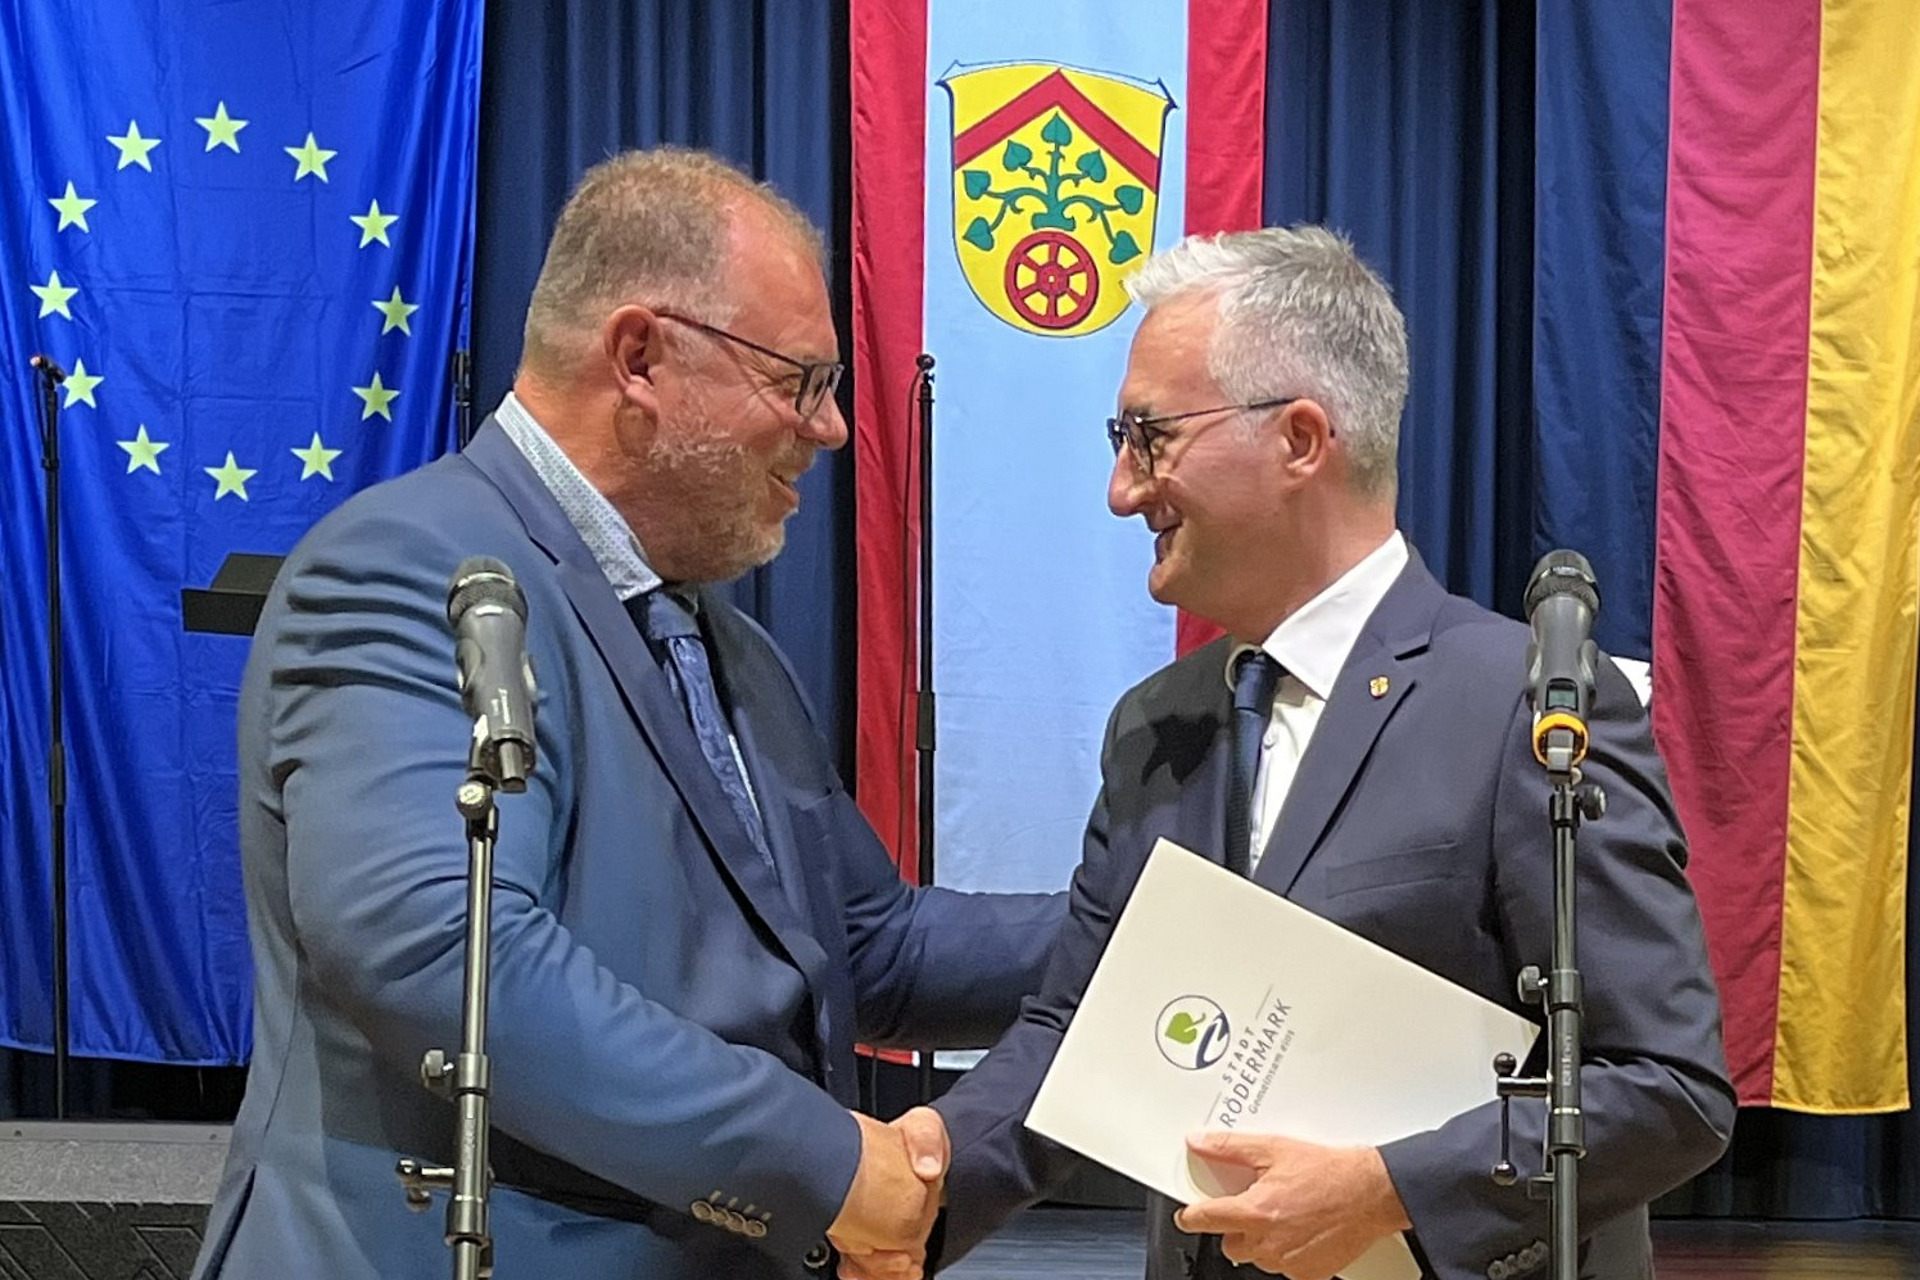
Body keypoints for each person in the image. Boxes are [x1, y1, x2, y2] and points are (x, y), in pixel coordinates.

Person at [190, 147, 1060, 1280]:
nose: (833, 427)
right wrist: (830, 1164)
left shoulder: (726, 647)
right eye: (801, 380)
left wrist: (1158, 913)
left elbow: (867, 951)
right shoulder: (413, 568)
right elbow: (445, 951)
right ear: (641, 357)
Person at [864, 226, 1736, 1280]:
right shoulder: (1155, 727)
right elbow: (1079, 1030)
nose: (1122, 490)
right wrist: (909, 1185)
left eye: (1149, 436)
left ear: (1301, 439)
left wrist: (1389, 1189)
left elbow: (1669, 1086)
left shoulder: (1524, 704)